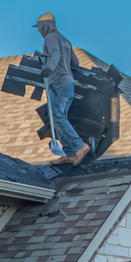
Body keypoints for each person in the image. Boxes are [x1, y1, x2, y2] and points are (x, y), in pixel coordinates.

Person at [36, 12, 91, 164]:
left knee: (58, 116)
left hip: (59, 84)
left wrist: (50, 68)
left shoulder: (51, 38)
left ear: (45, 25)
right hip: (68, 83)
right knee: (57, 118)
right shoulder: (65, 40)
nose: (39, 31)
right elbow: (75, 63)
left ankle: (79, 146)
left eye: (39, 27)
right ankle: (70, 152)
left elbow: (55, 53)